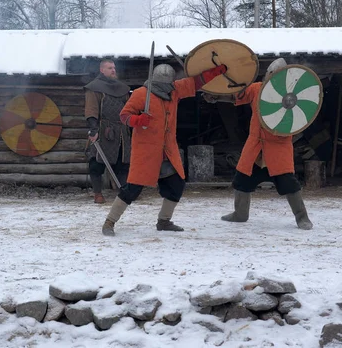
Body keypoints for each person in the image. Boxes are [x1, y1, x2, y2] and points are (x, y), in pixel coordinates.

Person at [101, 63, 228, 236]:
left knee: (176, 185)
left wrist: (216, 71)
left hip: (167, 150)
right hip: (146, 151)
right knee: (132, 189)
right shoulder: (141, 94)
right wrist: (138, 121)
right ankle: (109, 222)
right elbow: (124, 115)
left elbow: (196, 82)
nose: (169, 88)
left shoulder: (174, 90)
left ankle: (164, 221)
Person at [203, 58, 313, 230]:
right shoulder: (257, 89)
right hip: (256, 145)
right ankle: (240, 214)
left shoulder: (292, 96)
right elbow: (236, 96)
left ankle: (302, 217)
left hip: (278, 146)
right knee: (242, 179)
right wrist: (216, 97)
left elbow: (299, 118)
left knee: (288, 183)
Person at [84, 59, 131, 204]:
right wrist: (93, 129)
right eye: (110, 68)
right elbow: (91, 109)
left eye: (114, 68)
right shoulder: (94, 88)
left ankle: (124, 192)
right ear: (102, 70)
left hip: (122, 131)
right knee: (97, 163)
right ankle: (98, 193)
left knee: (122, 162)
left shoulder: (122, 88)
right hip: (102, 130)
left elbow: (129, 109)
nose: (113, 70)